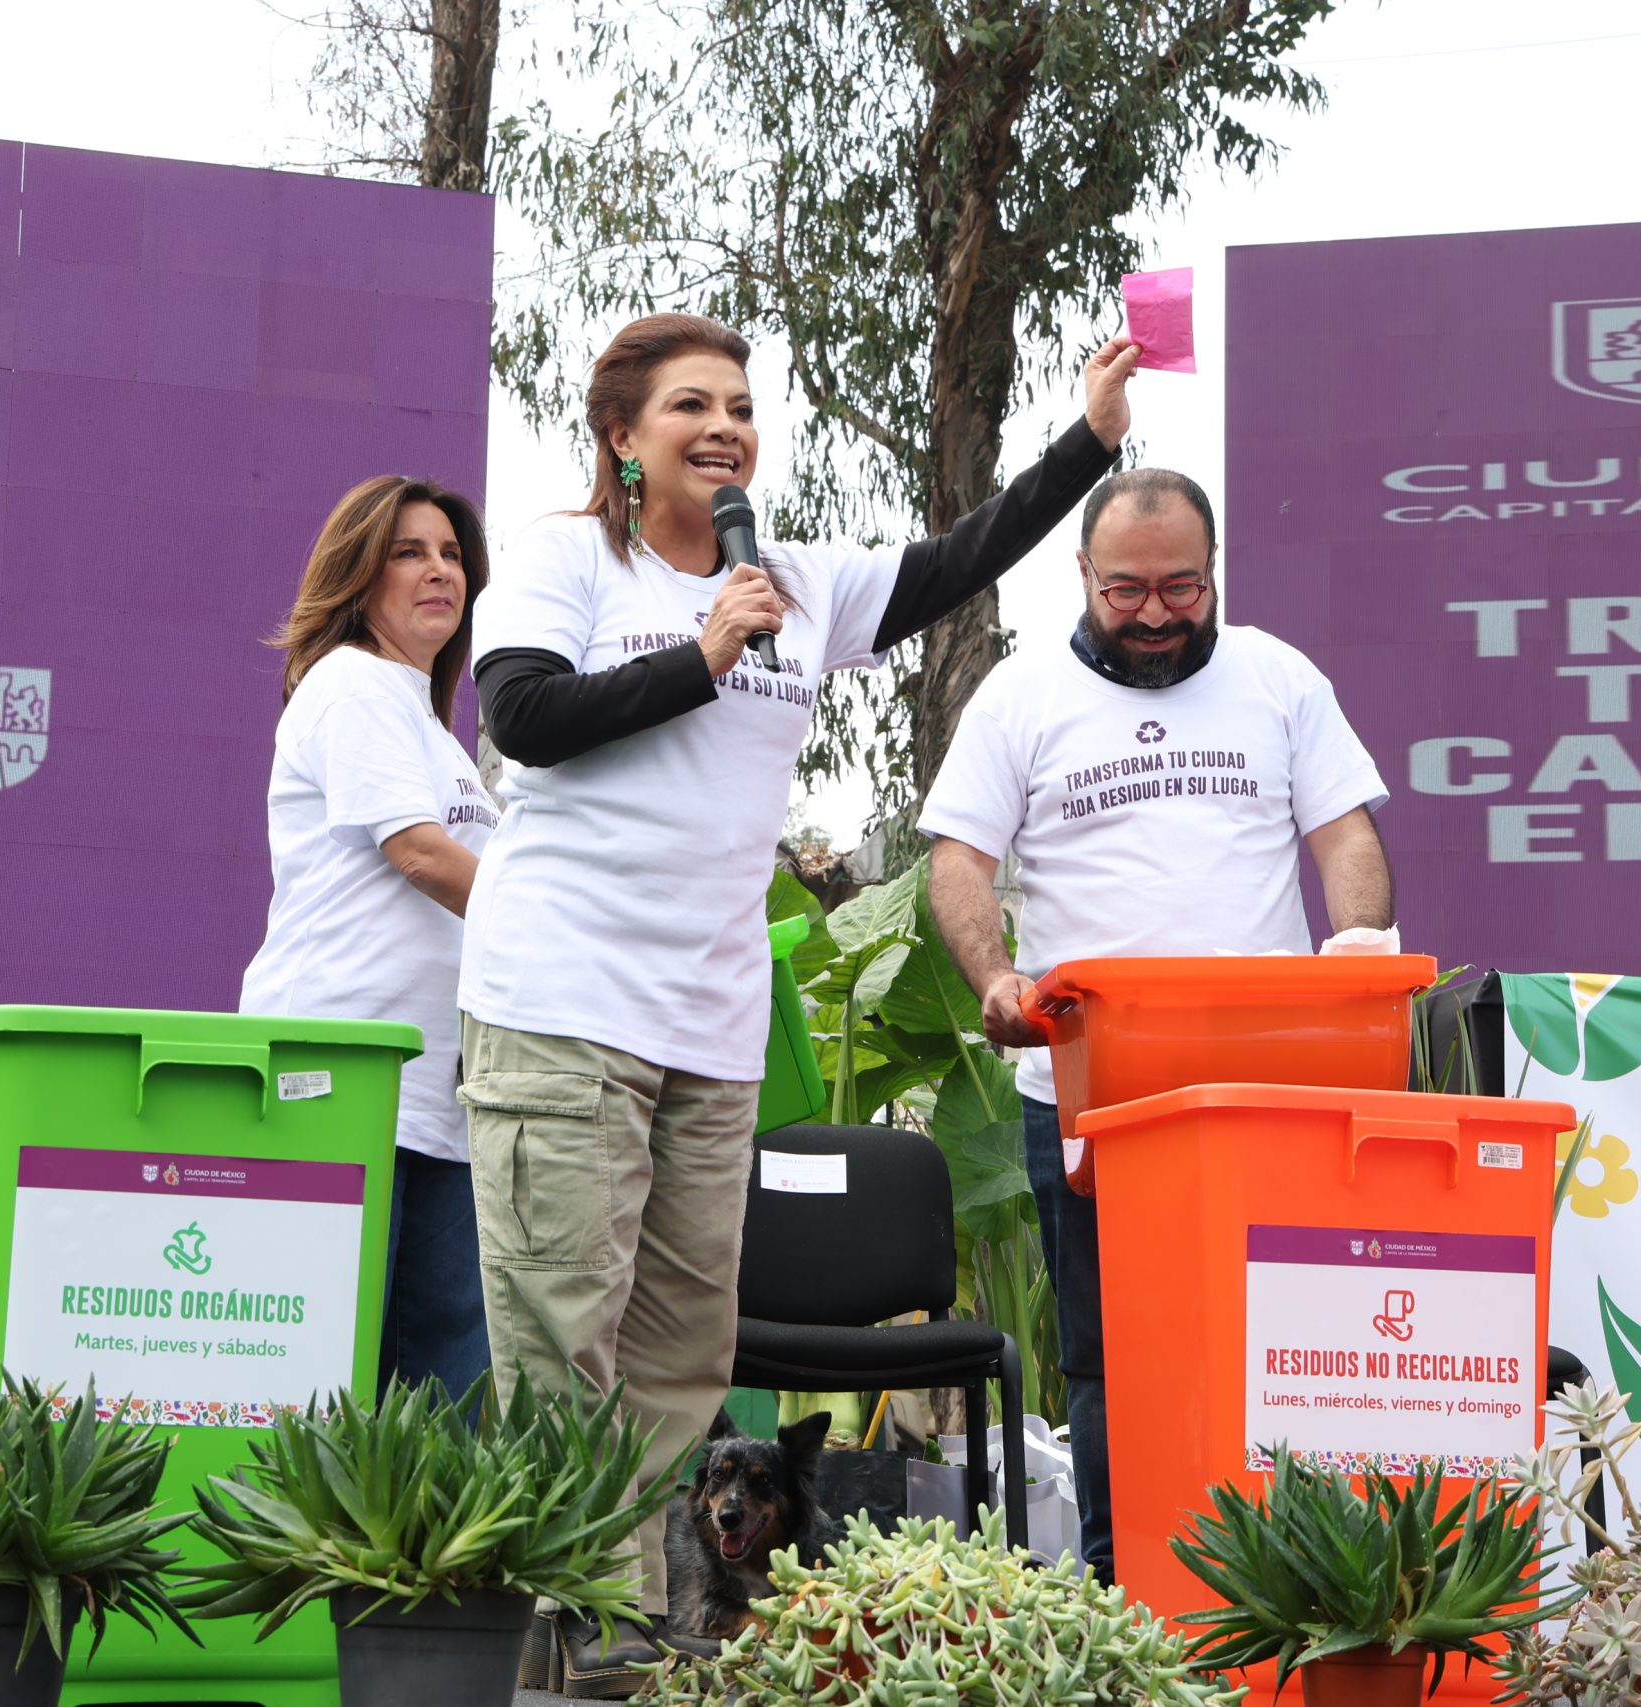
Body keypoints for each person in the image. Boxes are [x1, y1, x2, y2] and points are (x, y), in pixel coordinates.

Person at [462, 311, 1137, 1690]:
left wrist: (1092, 440)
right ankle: (590, 1630)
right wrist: (702, 655)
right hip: (562, 1000)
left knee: (679, 1347)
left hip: (707, 1026)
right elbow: (521, 715)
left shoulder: (794, 577)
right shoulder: (565, 558)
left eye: (740, 407)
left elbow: (962, 557)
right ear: (623, 437)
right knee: (561, 1332)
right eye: (690, 406)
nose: (724, 428)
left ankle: (623, 1628)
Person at [921, 466, 1394, 1586]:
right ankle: (1123, 1592)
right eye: (1125, 590)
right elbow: (958, 860)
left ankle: (1283, 1588)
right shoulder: (1019, 695)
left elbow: (1346, 840)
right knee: (1104, 1358)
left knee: (1287, 1347)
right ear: (1080, 573)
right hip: (1089, 1092)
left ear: (1213, 570)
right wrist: (993, 977)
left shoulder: (1278, 678)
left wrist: (1362, 943)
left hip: (1267, 1090)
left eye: (1180, 588)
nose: (1153, 615)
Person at [238, 475, 496, 1397]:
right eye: (409, 552)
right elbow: (423, 855)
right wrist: (557, 932)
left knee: (435, 1403)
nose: (440, 571)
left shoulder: (433, 730)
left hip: (435, 1098)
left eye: (453, 555)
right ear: (358, 575)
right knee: (324, 1391)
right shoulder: (352, 682)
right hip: (339, 1079)